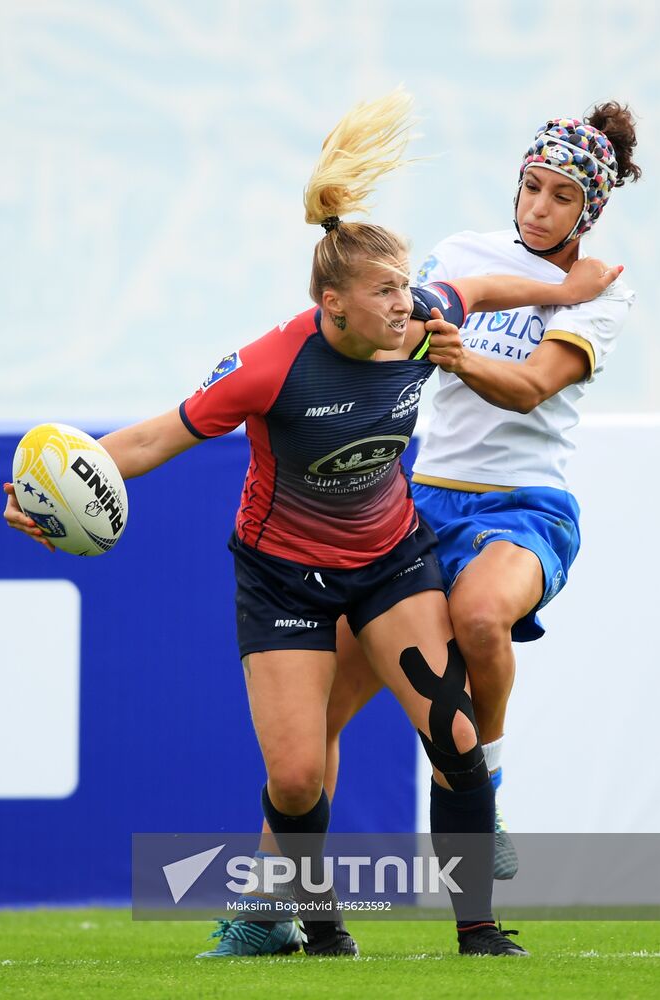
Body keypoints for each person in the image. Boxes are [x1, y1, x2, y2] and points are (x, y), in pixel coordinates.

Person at [3, 91, 620, 959]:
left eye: (408, 289)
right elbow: (153, 436)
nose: (408, 307)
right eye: (385, 294)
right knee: (295, 774)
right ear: (331, 305)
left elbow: (476, 285)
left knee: (452, 735)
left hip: (391, 564)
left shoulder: (415, 324)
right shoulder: (267, 366)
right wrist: (46, 488)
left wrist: (564, 287)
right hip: (282, 576)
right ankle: (303, 920)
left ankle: (478, 931)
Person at [215, 100, 640, 957]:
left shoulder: (604, 289)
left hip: (521, 506)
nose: (536, 207)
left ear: (587, 211)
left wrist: (448, 347)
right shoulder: (458, 258)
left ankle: (489, 778)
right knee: (314, 734)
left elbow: (526, 388)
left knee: (482, 616)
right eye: (529, 185)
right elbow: (382, 335)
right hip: (413, 511)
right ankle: (276, 911)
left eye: (560, 196)